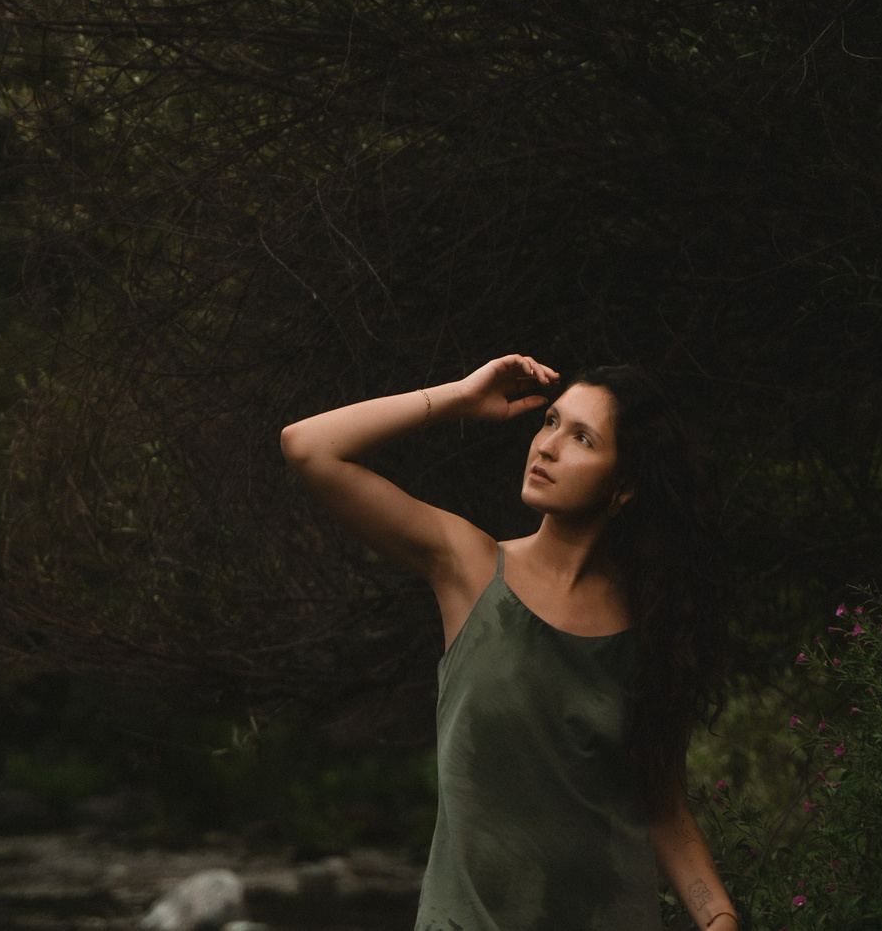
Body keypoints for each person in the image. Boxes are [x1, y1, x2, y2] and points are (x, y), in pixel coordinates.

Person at [280, 355, 739, 931]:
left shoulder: (653, 629)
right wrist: (460, 397)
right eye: (549, 422)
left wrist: (719, 917)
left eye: (582, 438)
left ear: (622, 488)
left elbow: (663, 807)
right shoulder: (469, 568)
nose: (546, 446)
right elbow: (308, 447)